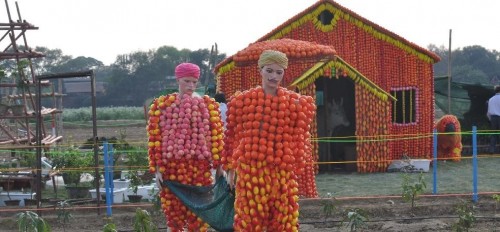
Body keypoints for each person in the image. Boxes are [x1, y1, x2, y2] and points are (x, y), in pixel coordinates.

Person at [221, 50, 316, 231]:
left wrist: (299, 110)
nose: (274, 76)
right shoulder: (243, 101)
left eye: (279, 72)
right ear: (260, 70)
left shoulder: (294, 103)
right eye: (269, 71)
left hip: (281, 172)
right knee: (250, 220)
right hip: (252, 171)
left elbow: (302, 135)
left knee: (284, 221)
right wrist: (230, 169)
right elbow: (231, 135)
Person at [146, 62, 224, 232]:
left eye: (194, 82)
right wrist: (157, 169)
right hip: (171, 171)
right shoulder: (162, 106)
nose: (190, 85)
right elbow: (154, 138)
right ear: (178, 80)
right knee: (174, 218)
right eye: (187, 81)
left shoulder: (209, 107)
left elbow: (217, 138)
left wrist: (219, 168)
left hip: (199, 170)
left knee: (199, 217)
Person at [487, 85, 500, 154]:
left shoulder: (491, 99)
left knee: (493, 134)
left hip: (493, 118)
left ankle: (492, 150)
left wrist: (490, 119)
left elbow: (488, 111)